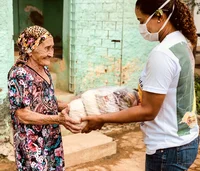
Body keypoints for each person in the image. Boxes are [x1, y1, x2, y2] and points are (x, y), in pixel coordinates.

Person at [81, 0, 199, 170]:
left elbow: (148, 111)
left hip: (168, 148)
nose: (141, 27)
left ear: (159, 16)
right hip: (185, 140)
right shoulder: (182, 43)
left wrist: (101, 119)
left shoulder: (163, 54)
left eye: (142, 21)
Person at [7, 25, 82, 171]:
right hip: (33, 143)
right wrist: (58, 119)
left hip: (51, 138)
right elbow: (22, 114)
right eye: (47, 48)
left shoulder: (45, 70)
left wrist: (74, 105)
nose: (51, 53)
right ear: (31, 48)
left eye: (52, 48)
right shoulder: (20, 74)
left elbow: (48, 101)